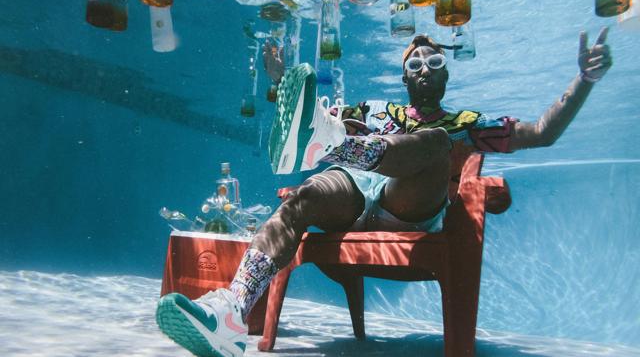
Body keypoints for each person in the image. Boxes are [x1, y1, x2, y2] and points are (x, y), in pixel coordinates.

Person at [155, 28, 613, 357]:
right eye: (414, 64)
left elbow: (541, 132)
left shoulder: (463, 124)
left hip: (409, 208)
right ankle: (233, 311)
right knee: (305, 197)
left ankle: (335, 145)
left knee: (436, 141)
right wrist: (279, 82)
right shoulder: (376, 109)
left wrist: (584, 82)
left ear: (446, 76)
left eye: (435, 63)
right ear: (405, 77)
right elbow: (304, 114)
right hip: (356, 196)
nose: (425, 69)